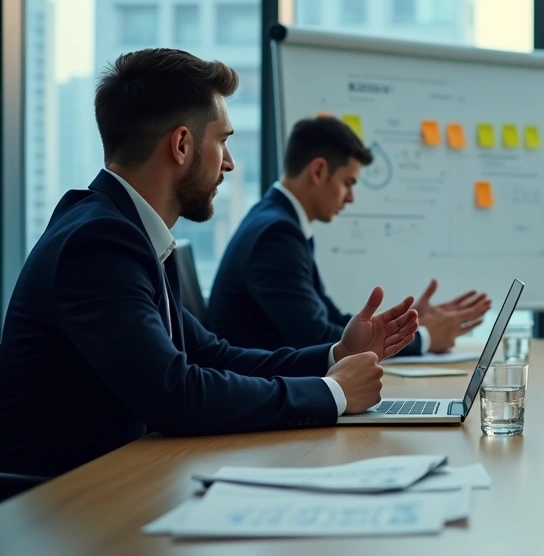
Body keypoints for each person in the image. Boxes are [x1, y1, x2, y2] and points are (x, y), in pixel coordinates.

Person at [0, 49, 418, 479]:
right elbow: (176, 393)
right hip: (58, 508)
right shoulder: (99, 243)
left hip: (114, 484)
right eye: (223, 140)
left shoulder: (127, 231)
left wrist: (335, 355)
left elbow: (211, 355)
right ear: (182, 145)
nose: (230, 162)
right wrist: (332, 392)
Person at [206, 115, 491, 354]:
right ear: (318, 171)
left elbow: (329, 318)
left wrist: (403, 326)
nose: (351, 198)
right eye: (348, 183)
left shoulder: (282, 222)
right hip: (260, 399)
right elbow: (317, 337)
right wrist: (424, 340)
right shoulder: (276, 234)